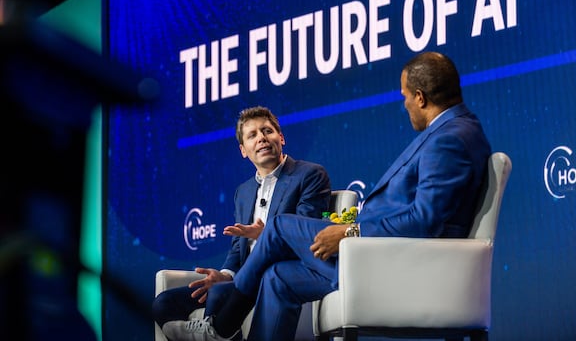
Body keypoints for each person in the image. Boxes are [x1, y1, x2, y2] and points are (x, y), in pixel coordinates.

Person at [161, 51, 492, 341]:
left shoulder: (450, 139)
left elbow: (425, 220)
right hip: (375, 256)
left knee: (277, 228)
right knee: (278, 279)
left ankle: (222, 325)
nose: (404, 103)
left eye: (405, 96)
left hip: (389, 263)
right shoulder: (453, 131)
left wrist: (350, 232)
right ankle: (228, 314)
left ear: (420, 97)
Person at [153, 106, 331, 338]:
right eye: (252, 135)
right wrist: (225, 274)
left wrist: (266, 235)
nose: (262, 139)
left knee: (218, 296)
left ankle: (213, 332)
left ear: (281, 138)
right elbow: (238, 248)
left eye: (267, 131)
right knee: (164, 303)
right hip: (242, 279)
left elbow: (304, 232)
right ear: (243, 151)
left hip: (280, 274)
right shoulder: (243, 192)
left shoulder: (309, 175)